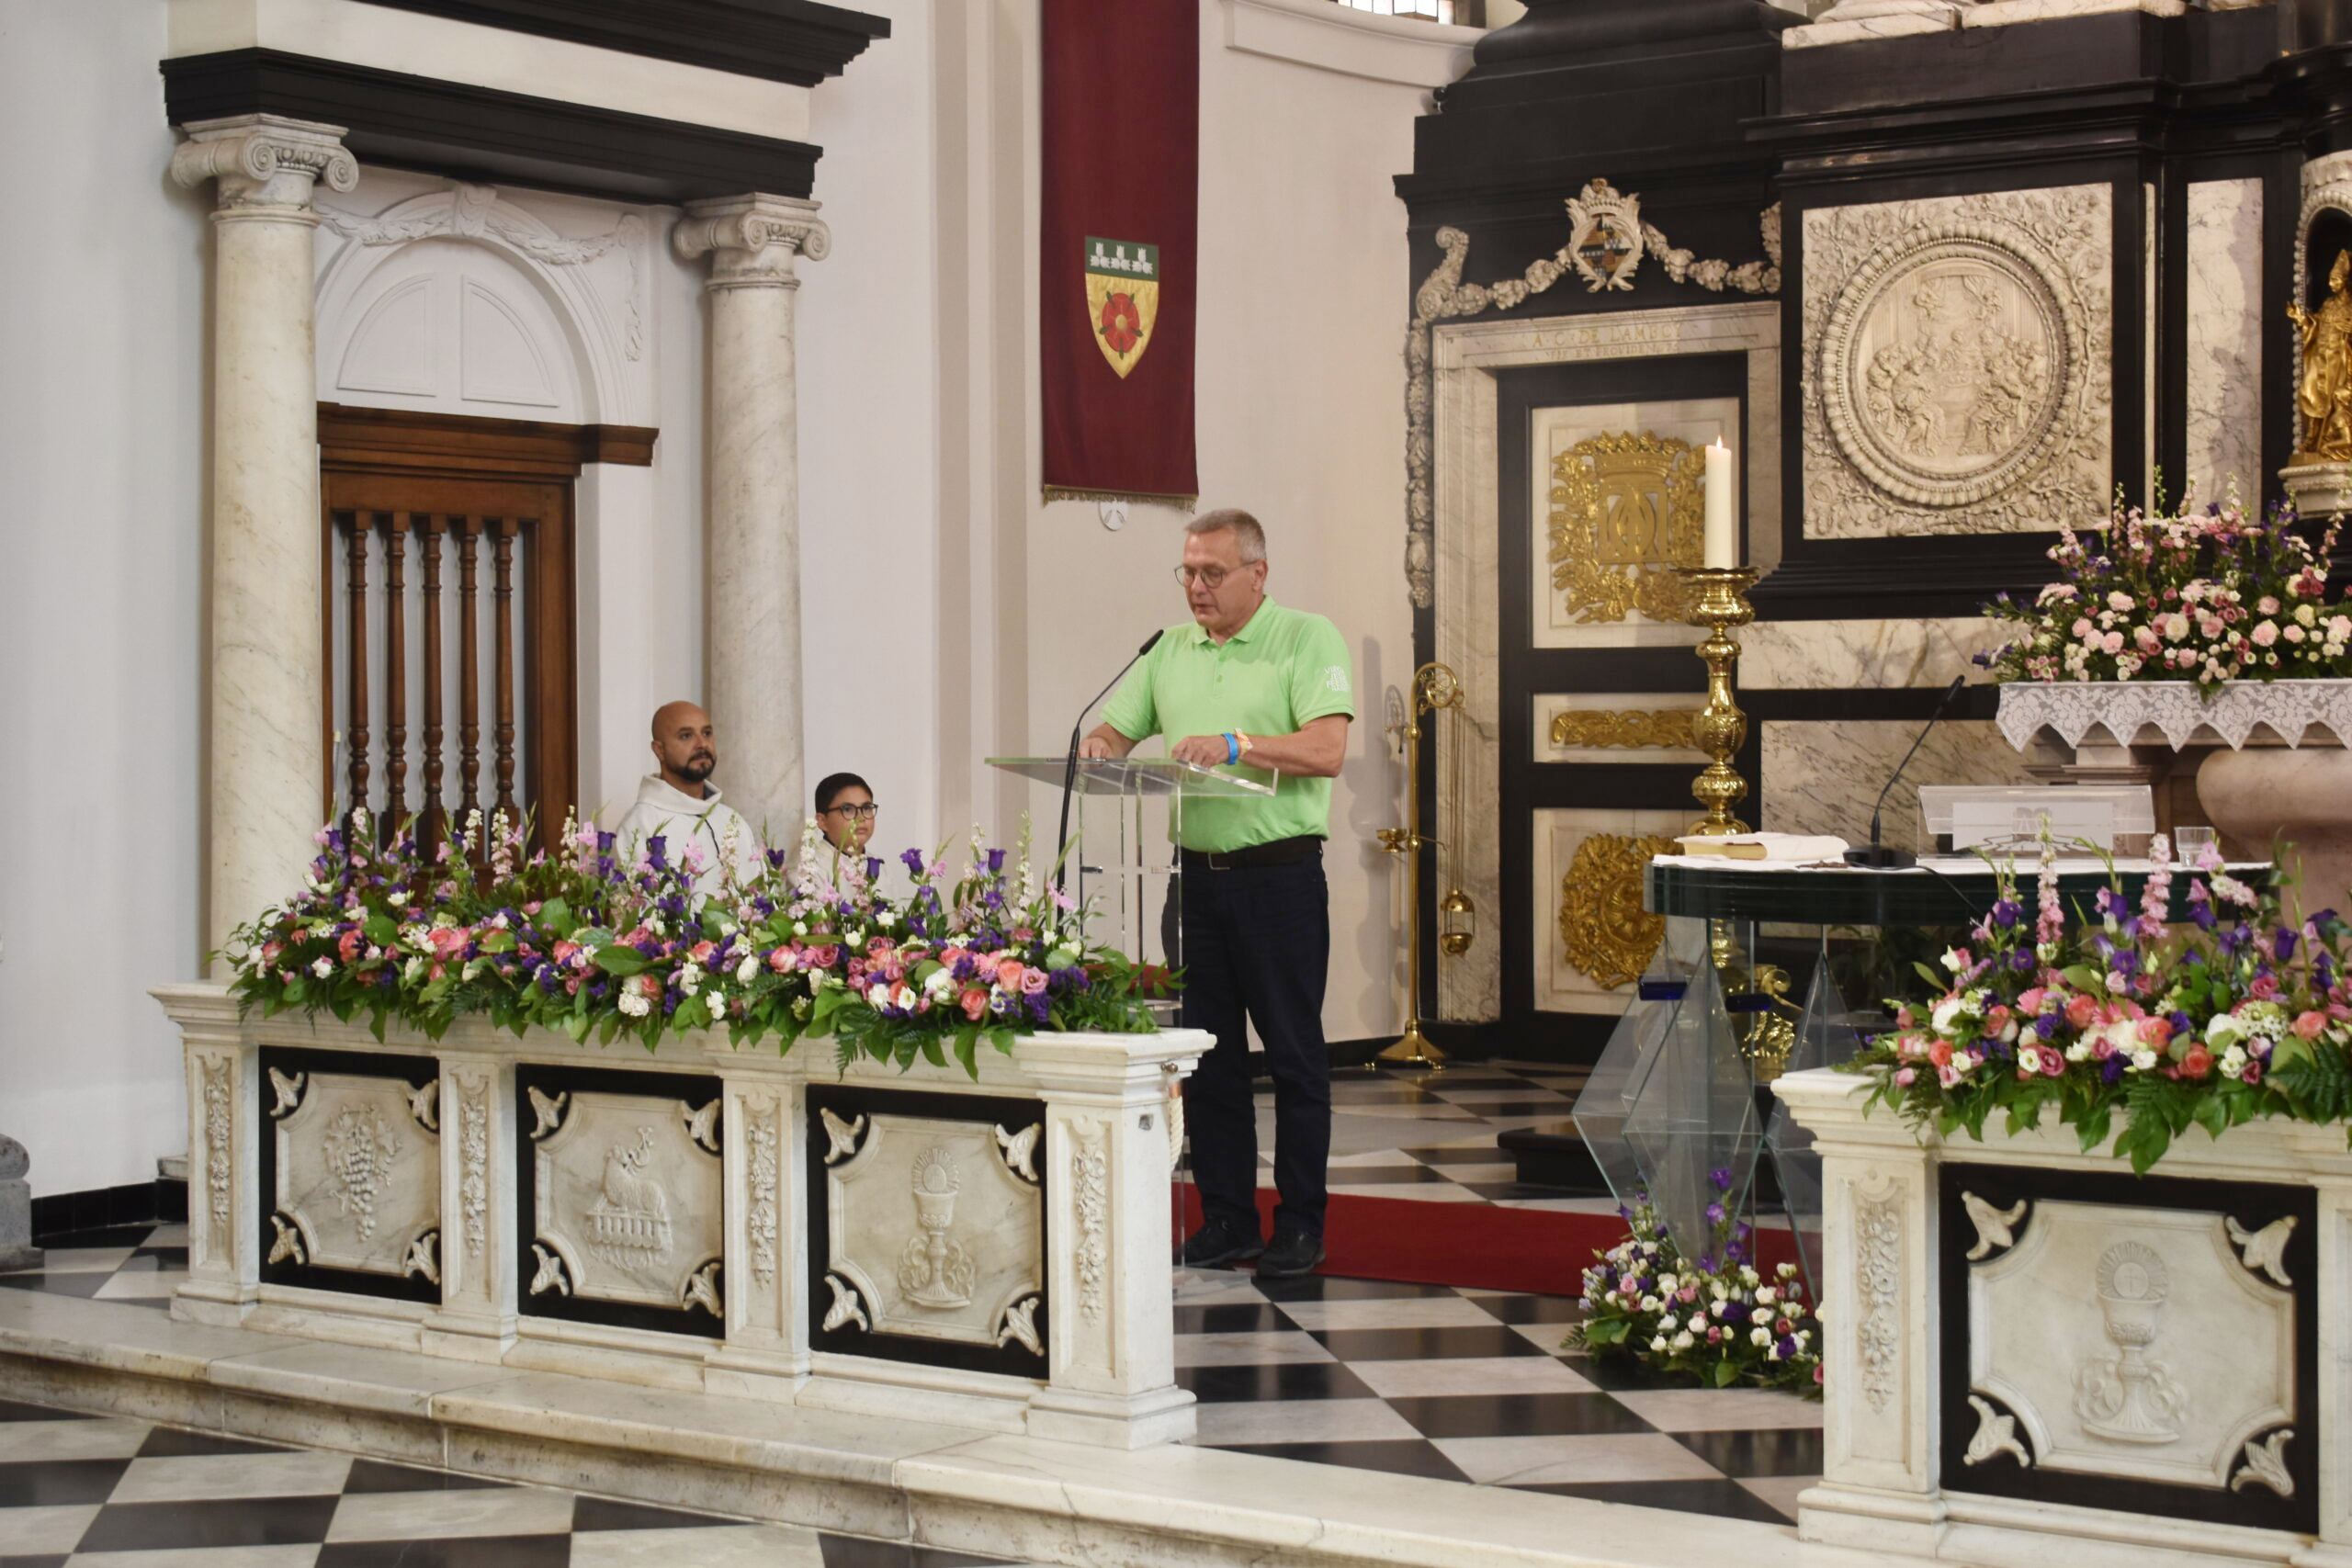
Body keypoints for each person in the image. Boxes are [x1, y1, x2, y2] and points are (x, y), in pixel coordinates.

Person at [1079, 509, 1353, 1279]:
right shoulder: (1170, 648)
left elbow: (1328, 749)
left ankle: (1299, 1221)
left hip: (1280, 878)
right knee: (1211, 1058)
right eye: (1187, 572)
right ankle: (1227, 1216)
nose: (1195, 588)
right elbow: (1115, 732)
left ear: (1257, 574)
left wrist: (1239, 744)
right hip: (1194, 881)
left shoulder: (1305, 638)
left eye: (1211, 573)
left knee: (1295, 1057)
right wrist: (1100, 746)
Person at [614, 700, 766, 896]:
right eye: (686, 736)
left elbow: (761, 897)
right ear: (659, 750)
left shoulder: (733, 821)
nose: (702, 744)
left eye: (707, 733)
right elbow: (634, 911)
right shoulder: (641, 824)